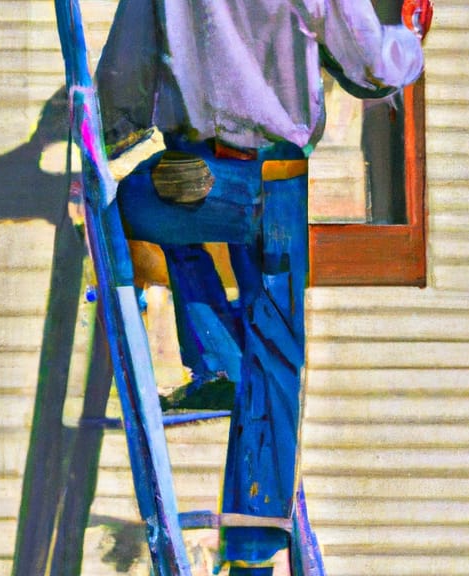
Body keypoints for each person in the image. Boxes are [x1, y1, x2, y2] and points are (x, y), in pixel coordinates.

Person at [94, 1, 430, 573]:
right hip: (274, 181)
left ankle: (216, 357)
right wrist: (412, 36)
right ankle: (253, 554)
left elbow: (123, 80)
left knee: (136, 201)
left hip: (196, 171)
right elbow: (372, 64)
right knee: (274, 354)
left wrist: (111, 137)